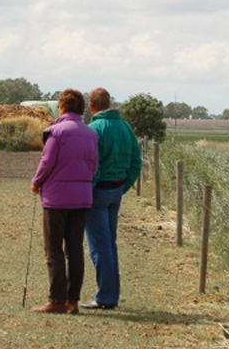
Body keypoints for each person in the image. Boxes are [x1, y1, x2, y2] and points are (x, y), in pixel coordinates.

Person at [30, 89, 98, 314]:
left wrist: (36, 182)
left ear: (62, 107)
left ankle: (56, 300)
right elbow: (93, 166)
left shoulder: (55, 132)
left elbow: (47, 162)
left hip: (57, 199)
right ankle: (73, 300)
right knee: (75, 249)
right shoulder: (90, 134)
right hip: (82, 199)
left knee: (54, 250)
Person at [80, 87, 142, 310]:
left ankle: (106, 296)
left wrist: (90, 188)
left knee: (99, 246)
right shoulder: (126, 128)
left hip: (99, 192)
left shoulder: (94, 129)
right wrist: (125, 186)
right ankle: (111, 293)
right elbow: (136, 160)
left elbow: (92, 165)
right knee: (109, 243)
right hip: (117, 190)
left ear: (92, 106)